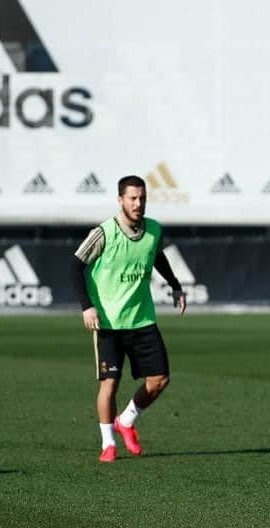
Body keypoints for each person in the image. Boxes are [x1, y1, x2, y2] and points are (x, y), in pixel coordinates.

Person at [70, 175, 187, 462]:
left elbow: (156, 256)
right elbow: (74, 268)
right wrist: (87, 306)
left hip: (142, 320)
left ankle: (126, 421)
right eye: (132, 198)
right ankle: (108, 443)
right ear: (120, 200)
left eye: (142, 198)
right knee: (109, 384)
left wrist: (175, 285)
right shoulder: (104, 233)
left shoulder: (154, 230)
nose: (138, 203)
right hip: (108, 323)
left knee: (160, 380)